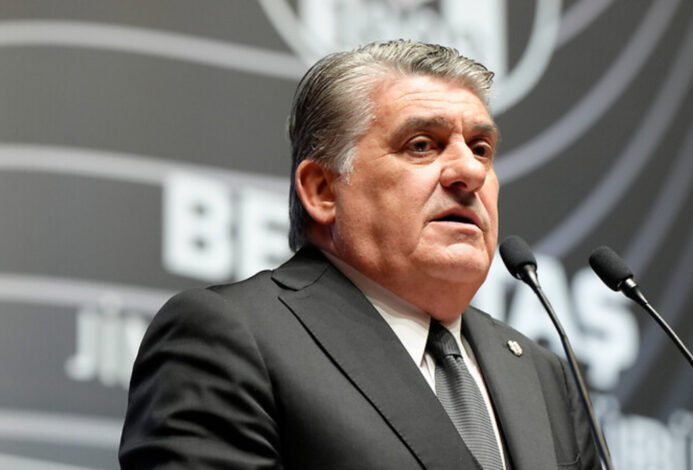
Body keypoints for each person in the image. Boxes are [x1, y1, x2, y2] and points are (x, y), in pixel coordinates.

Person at [119, 40, 599, 469]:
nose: (469, 172)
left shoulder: (541, 374)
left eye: (481, 148)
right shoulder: (232, 336)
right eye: (421, 145)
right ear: (323, 190)